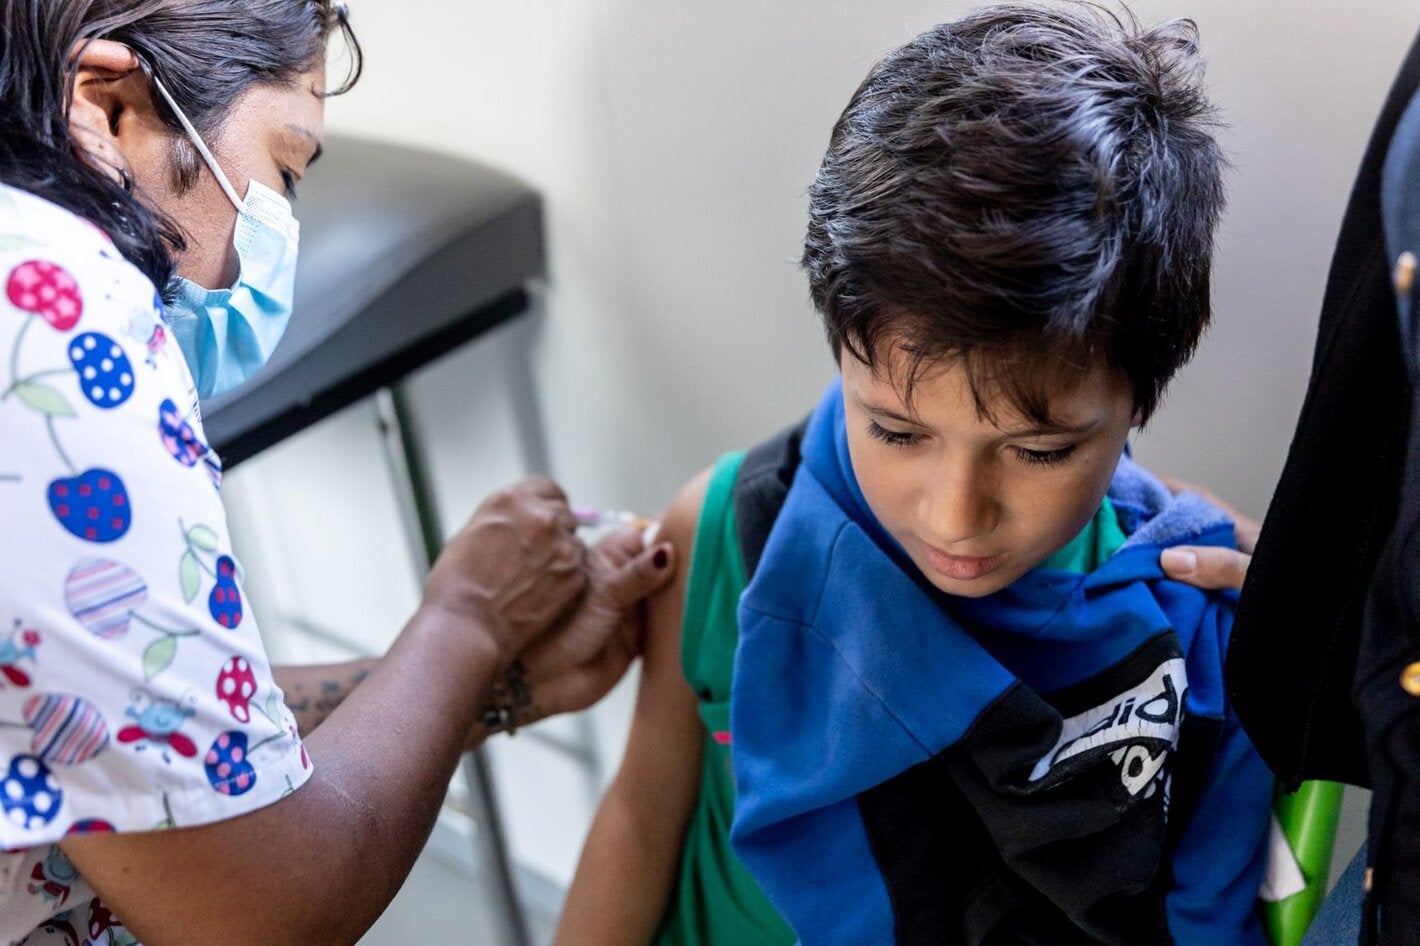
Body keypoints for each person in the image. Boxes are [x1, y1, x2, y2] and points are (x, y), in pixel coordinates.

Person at [554, 6, 1276, 945]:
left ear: (1139, 402)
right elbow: (642, 818)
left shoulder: (1190, 621)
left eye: (1039, 451)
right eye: (895, 431)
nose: (955, 515)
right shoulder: (730, 532)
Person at [0, 2, 676, 943]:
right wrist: (467, 622)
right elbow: (264, 907)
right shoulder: (56, 316)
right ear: (111, 105)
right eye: (282, 169)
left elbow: (132, 721)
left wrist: (493, 679)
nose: (272, 238)